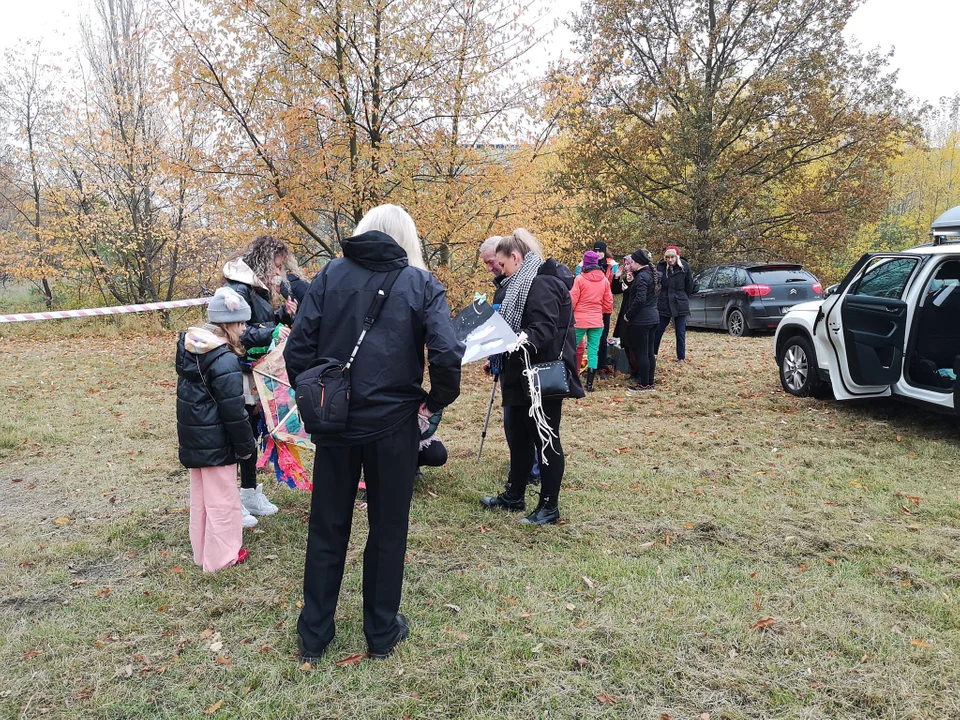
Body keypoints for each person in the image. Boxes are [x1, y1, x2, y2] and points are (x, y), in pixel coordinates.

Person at [284, 204, 464, 662]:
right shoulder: (420, 283)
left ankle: (314, 635)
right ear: (408, 237)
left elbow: (298, 348)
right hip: (394, 426)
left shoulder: (329, 276)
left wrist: (319, 397)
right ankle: (381, 632)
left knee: (327, 527)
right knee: (387, 529)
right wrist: (433, 401)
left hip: (337, 423)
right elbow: (446, 353)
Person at [480, 230, 584, 525]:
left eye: (501, 264)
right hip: (517, 374)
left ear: (515, 257)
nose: (499, 271)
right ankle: (514, 495)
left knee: (545, 438)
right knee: (518, 437)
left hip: (541, 377)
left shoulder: (542, 282)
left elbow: (543, 330)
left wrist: (511, 343)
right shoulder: (516, 284)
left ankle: (549, 506)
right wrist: (496, 353)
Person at [175, 288, 258, 572]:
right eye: (242, 324)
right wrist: (246, 445)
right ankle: (223, 557)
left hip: (196, 438)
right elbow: (233, 411)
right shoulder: (224, 359)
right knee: (223, 500)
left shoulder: (193, 348)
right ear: (228, 324)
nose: (245, 329)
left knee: (201, 499)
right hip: (216, 440)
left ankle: (203, 551)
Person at [222, 235, 296, 526]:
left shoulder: (256, 289)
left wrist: (281, 317)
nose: (278, 272)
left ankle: (249, 492)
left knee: (252, 433)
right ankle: (229, 501)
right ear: (263, 261)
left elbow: (259, 323)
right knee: (238, 436)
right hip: (236, 373)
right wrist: (274, 332)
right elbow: (239, 333)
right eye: (276, 266)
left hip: (254, 372)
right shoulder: (237, 290)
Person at [479, 235, 541, 484]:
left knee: (522, 419)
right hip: (507, 359)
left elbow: (531, 327)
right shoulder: (506, 283)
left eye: (494, 262)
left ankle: (531, 468)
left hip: (523, 361)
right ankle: (523, 465)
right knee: (513, 419)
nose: (491, 267)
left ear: (509, 256)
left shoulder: (526, 284)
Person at [570, 250, 613, 392]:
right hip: (596, 320)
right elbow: (608, 302)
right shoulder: (604, 280)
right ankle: (589, 384)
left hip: (579, 320)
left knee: (571, 348)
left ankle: (572, 378)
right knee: (593, 350)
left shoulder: (580, 279)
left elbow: (573, 299)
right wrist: (603, 312)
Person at [623, 249, 661, 392]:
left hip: (642, 320)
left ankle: (644, 384)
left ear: (637, 263)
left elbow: (640, 299)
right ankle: (649, 382)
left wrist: (628, 314)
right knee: (649, 352)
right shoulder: (652, 275)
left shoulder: (642, 277)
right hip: (653, 317)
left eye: (631, 262)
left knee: (642, 353)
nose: (630, 264)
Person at [655, 246, 693, 363]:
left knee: (680, 331)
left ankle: (681, 357)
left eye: (672, 257)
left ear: (676, 257)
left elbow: (689, 285)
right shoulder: (660, 267)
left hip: (680, 302)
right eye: (668, 257)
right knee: (659, 329)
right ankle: (652, 353)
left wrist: (683, 297)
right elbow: (657, 283)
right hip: (664, 302)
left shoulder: (684, 267)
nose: (670, 260)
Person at [612, 257, 639, 379]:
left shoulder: (639, 277)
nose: (627, 266)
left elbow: (637, 296)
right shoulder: (626, 278)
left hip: (633, 312)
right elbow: (616, 290)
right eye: (625, 264)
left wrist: (629, 288)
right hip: (624, 310)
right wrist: (617, 276)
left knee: (633, 342)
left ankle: (637, 370)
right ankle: (632, 370)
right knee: (625, 340)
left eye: (629, 264)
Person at [593, 242, 618, 375]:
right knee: (592, 339)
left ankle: (601, 365)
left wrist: (619, 278)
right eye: (595, 251)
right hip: (591, 306)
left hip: (605, 306)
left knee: (602, 338)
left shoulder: (612, 265)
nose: (597, 254)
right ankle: (592, 365)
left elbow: (614, 287)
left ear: (604, 251)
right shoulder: (586, 264)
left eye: (600, 251)